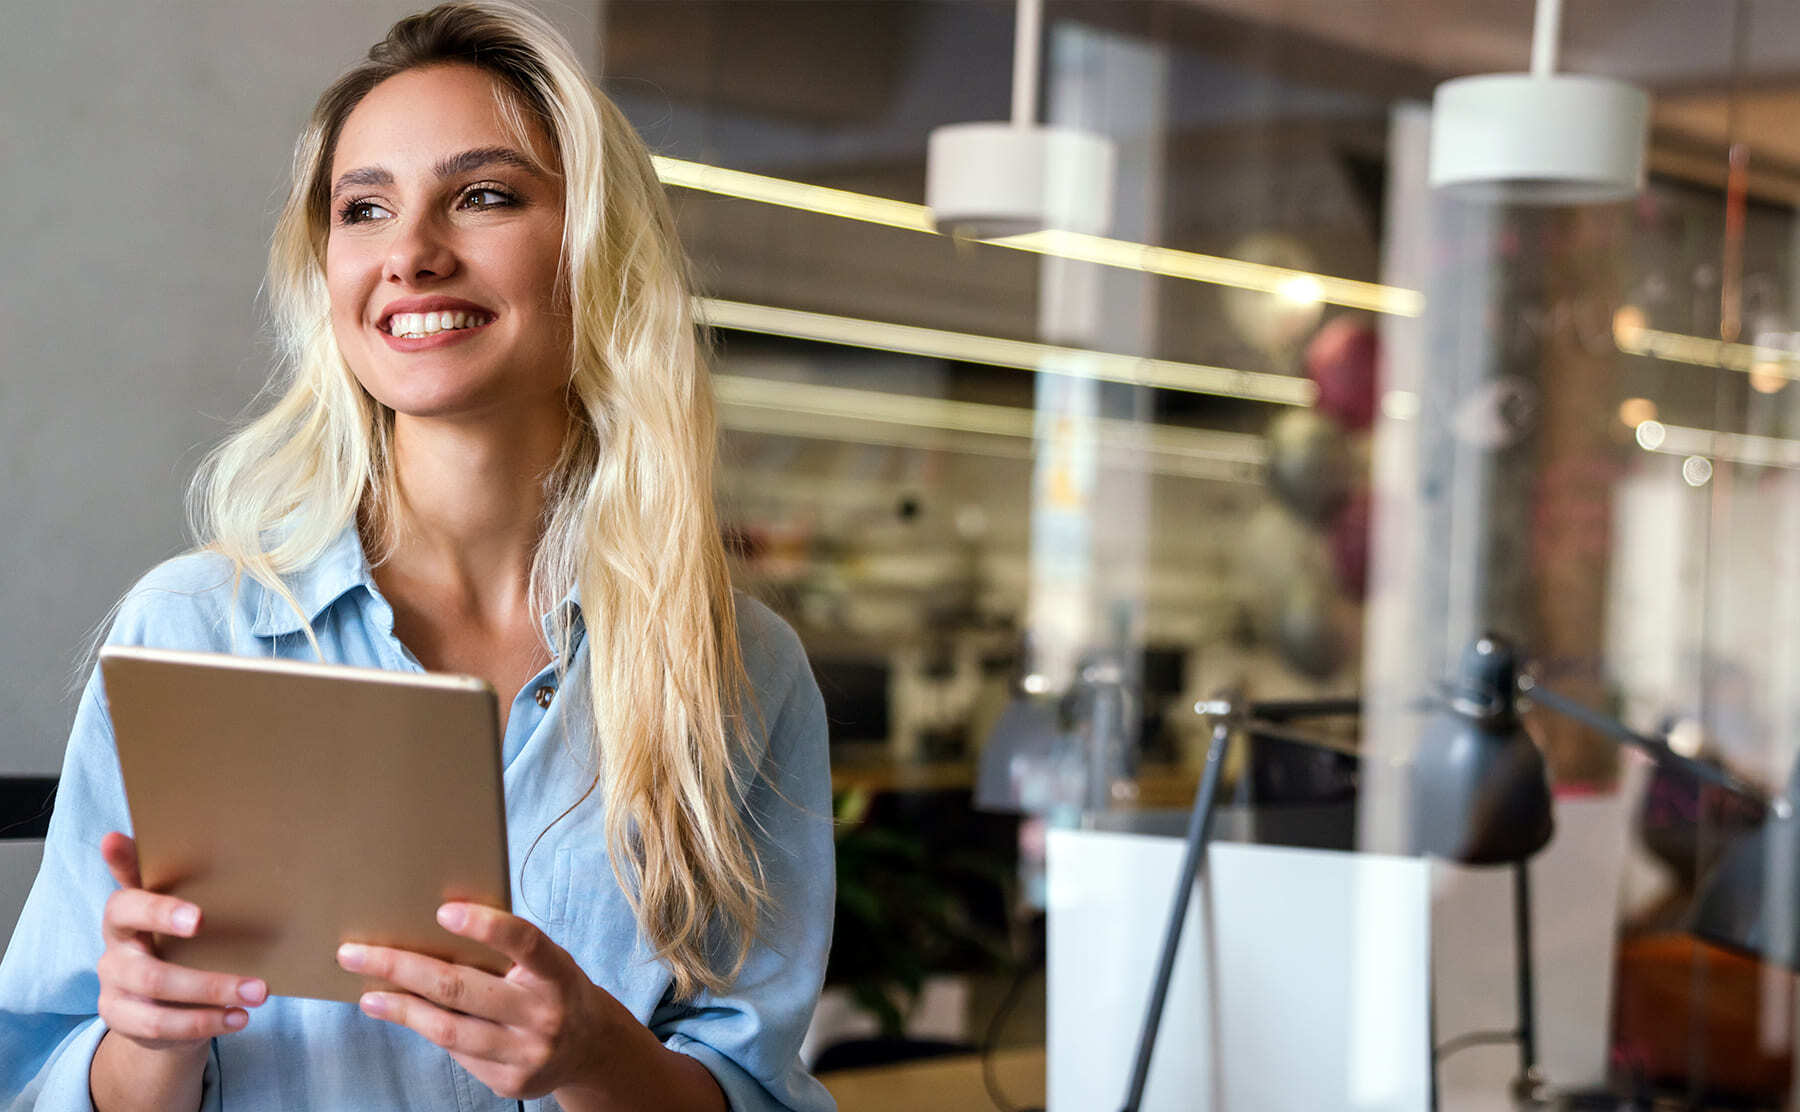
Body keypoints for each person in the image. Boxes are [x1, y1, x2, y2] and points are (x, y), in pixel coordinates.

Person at [0, 4, 835, 1110]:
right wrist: (151, 1037)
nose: (410, 254)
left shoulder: (737, 666)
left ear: (595, 246)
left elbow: (751, 1083)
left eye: (484, 195)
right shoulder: (197, 628)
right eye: (365, 209)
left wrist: (595, 1055)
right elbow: (37, 1075)